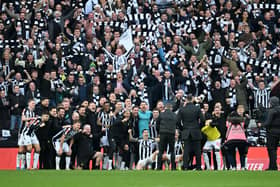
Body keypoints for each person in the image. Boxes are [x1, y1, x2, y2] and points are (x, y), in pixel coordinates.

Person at [177, 94, 205, 170]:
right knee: (197, 151)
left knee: (186, 150)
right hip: (196, 131)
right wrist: (198, 127)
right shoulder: (197, 109)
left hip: (186, 132)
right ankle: (199, 167)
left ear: (186, 100)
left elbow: (178, 121)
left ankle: (185, 166)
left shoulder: (182, 109)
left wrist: (183, 129)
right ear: (193, 99)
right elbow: (203, 120)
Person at [224, 105, 248, 170]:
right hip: (241, 139)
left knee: (230, 153)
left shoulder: (228, 122)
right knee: (242, 153)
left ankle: (234, 167)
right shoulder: (241, 121)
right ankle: (242, 167)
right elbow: (245, 125)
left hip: (231, 139)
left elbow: (226, 127)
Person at [156, 102, 177, 170]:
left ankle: (159, 167)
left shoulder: (161, 114)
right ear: (171, 108)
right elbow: (177, 123)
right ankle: (173, 167)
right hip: (171, 133)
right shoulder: (174, 115)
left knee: (161, 151)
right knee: (172, 151)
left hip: (163, 133)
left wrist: (159, 132)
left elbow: (157, 125)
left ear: (165, 107)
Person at [262, 97, 280, 170]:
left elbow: (268, 122)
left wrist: (262, 125)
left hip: (272, 132)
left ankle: (273, 166)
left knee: (272, 149)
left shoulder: (272, 111)